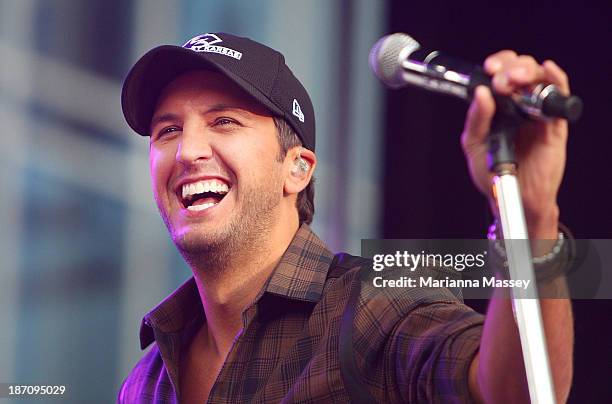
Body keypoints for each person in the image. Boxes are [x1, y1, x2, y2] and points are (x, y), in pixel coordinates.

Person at [118, 32, 573, 403]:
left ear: (297, 168)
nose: (188, 151)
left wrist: (532, 220)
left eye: (225, 122)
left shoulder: (374, 303)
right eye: (168, 130)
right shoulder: (146, 380)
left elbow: (514, 394)